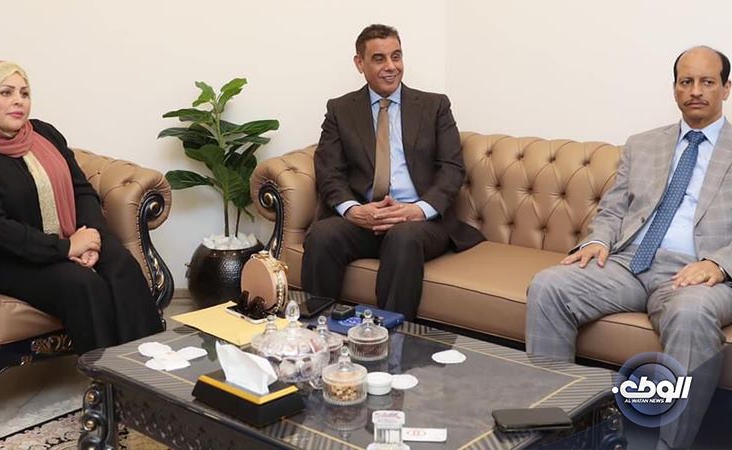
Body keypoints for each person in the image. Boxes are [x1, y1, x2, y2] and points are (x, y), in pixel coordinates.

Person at [526, 46, 732, 450]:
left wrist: (719, 264)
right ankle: (556, 434)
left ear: (726, 88)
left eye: (707, 82)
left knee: (691, 315)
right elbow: (614, 208)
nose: (695, 91)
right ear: (674, 89)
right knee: (549, 286)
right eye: (686, 81)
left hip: (698, 273)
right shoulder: (643, 144)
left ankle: (668, 446)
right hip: (630, 262)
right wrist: (598, 240)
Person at [0, 61, 163, 354]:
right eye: (6, 92)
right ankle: (107, 375)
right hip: (15, 258)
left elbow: (81, 189)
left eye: (24, 93)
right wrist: (66, 248)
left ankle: (150, 363)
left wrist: (91, 238)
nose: (19, 101)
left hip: (73, 235)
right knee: (83, 285)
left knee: (121, 264)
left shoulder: (44, 134)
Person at [302, 24, 484, 320]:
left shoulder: (434, 105)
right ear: (359, 63)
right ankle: (316, 331)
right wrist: (354, 211)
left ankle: (391, 337)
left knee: (403, 237)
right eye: (379, 59)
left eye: (396, 56)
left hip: (420, 222)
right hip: (365, 219)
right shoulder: (340, 110)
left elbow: (451, 169)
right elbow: (329, 171)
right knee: (322, 235)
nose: (391, 67)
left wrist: (417, 210)